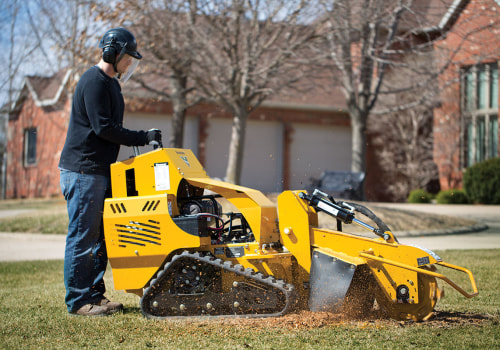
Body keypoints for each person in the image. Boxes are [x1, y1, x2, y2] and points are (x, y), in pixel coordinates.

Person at [58, 27, 162, 316]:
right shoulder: (93, 82)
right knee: (83, 237)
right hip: (83, 171)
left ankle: (95, 295)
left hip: (100, 171)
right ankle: (79, 302)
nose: (130, 64)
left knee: (101, 238)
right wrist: (142, 136)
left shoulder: (111, 84)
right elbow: (103, 127)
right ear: (111, 52)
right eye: (127, 57)